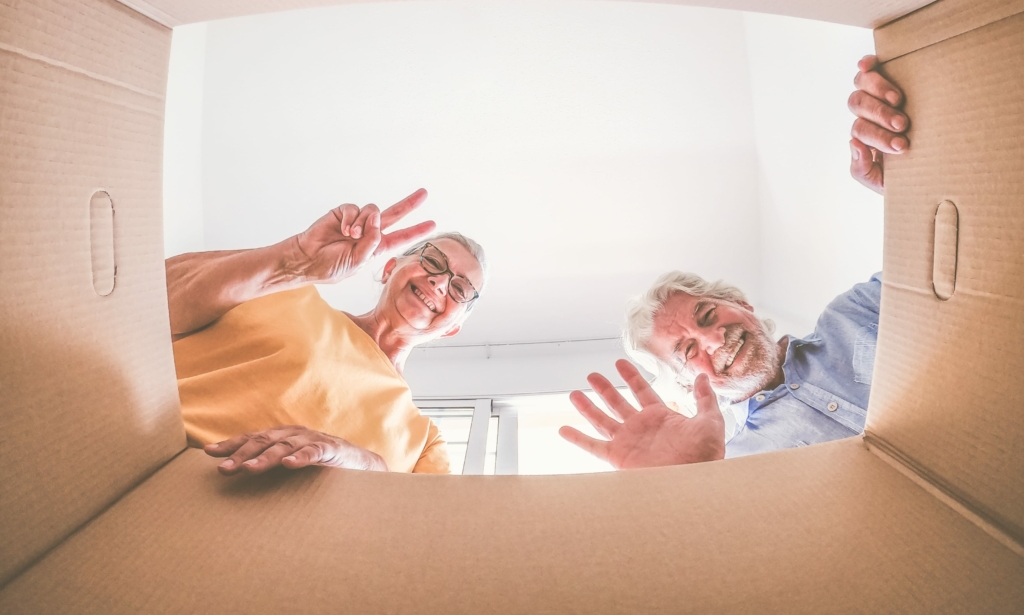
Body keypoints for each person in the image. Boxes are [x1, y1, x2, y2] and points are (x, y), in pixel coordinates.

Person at [560, 55, 908, 468]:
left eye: (706, 315)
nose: (713, 339)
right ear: (689, 385)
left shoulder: (853, 313)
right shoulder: (730, 467)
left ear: (741, 304)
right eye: (688, 351)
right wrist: (683, 495)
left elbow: (948, 274)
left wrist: (908, 187)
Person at [166, 188, 487, 475]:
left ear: (452, 329)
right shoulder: (287, 289)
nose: (440, 282)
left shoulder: (425, 442)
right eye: (432, 260)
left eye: (460, 289)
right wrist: (293, 262)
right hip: (147, 457)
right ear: (390, 268)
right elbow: (147, 301)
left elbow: (419, 528)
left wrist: (369, 465)